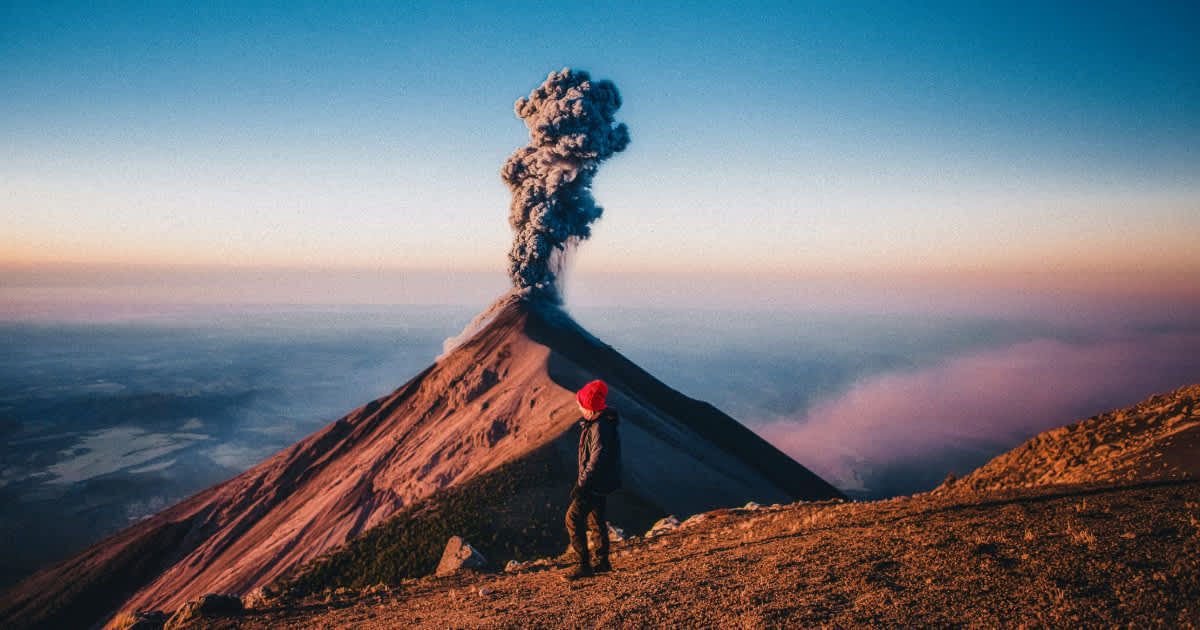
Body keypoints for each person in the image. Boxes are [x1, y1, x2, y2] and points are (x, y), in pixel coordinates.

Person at [563, 379, 622, 581]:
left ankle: (584, 565)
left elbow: (596, 458)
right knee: (596, 521)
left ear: (589, 408)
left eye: (580, 404)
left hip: (593, 484)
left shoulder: (598, 427)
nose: (578, 407)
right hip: (601, 483)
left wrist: (582, 484)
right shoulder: (601, 423)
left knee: (572, 519)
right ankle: (602, 562)